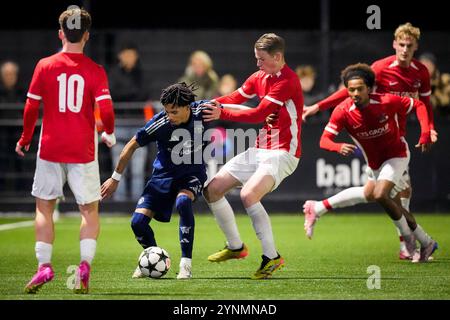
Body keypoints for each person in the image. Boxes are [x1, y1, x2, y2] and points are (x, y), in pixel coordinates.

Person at [301, 23, 437, 260]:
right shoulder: (379, 71)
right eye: (401, 44)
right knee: (375, 192)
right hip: (377, 149)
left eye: (409, 45)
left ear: (416, 47)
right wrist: (318, 106)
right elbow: (349, 89)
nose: (404, 49)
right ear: (394, 44)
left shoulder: (418, 74)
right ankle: (319, 207)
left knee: (390, 192)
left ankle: (411, 244)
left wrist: (429, 129)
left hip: (396, 142)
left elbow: (424, 103)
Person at [15, 8, 116, 294]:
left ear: (61, 33)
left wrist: (25, 138)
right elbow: (106, 111)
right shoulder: (95, 70)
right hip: (82, 150)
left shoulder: (44, 65)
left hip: (50, 148)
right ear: (86, 35)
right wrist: (107, 130)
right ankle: (84, 265)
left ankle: (44, 266)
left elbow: (31, 108)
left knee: (45, 207)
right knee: (88, 210)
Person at [202, 33, 303, 279]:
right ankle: (236, 246)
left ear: (277, 57)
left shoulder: (287, 81)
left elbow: (258, 114)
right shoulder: (260, 76)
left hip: (283, 153)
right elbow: (236, 97)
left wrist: (221, 112)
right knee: (212, 190)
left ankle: (272, 257)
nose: (257, 64)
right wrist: (204, 104)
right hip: (259, 150)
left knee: (248, 195)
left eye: (261, 59)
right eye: (256, 58)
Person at [108, 43, 149, 201]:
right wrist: (131, 93)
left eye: (132, 55)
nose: (129, 58)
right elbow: (113, 94)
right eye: (126, 54)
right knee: (118, 167)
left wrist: (124, 94)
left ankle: (137, 203)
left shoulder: (141, 74)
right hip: (119, 124)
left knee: (138, 169)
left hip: (138, 125)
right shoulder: (113, 73)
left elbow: (144, 94)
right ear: (120, 56)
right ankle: (119, 202)